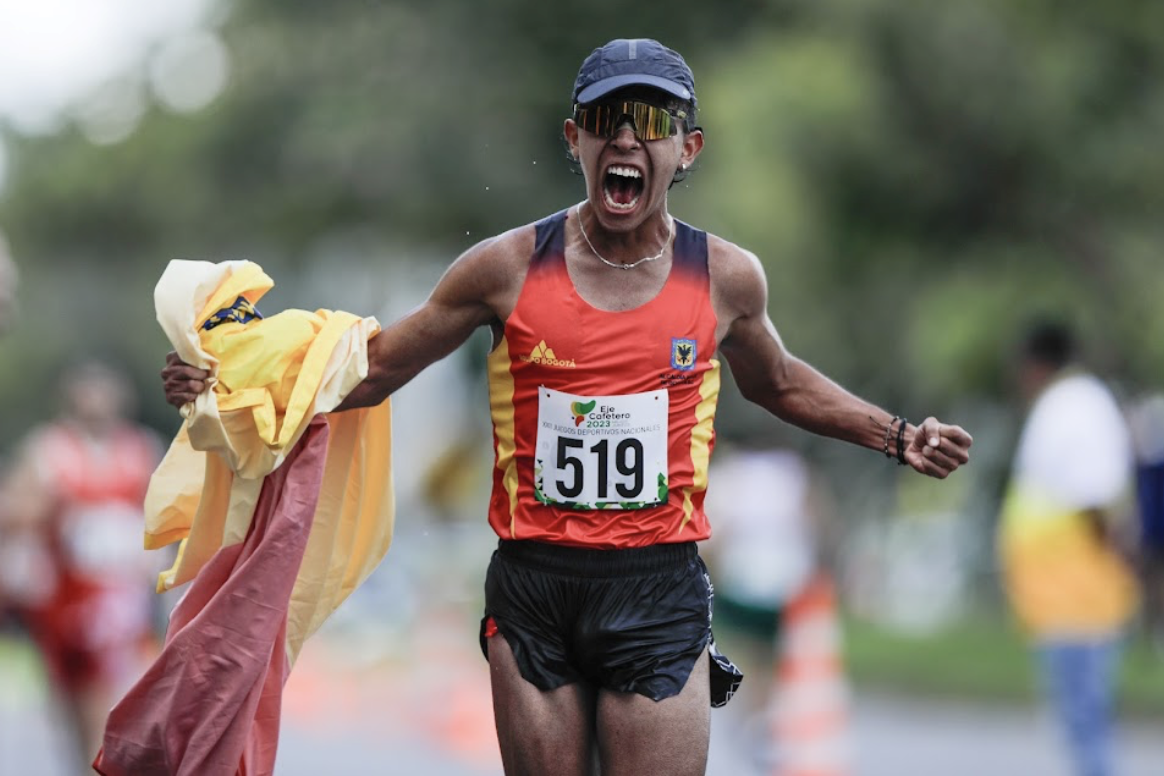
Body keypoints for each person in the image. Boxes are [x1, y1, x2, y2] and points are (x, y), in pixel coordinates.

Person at [161, 38, 972, 776]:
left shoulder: (725, 278)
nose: (625, 137)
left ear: (685, 148)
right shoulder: (502, 269)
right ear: (573, 140)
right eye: (604, 120)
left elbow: (781, 382)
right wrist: (229, 382)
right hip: (535, 588)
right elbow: (371, 370)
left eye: (649, 120)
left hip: (657, 588)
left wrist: (898, 436)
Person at [0, 360, 164, 770]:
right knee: (71, 710)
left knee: (104, 711)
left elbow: (169, 517)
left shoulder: (142, 449)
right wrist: (48, 511)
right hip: (63, 597)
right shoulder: (49, 450)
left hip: (117, 600)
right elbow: (13, 511)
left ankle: (98, 762)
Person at [997, 319, 1139, 776]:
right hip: (1065, 600)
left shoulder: (1074, 406)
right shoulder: (1070, 404)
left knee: (1085, 730)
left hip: (1078, 601)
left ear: (1034, 364)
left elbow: (1092, 499)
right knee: (1081, 727)